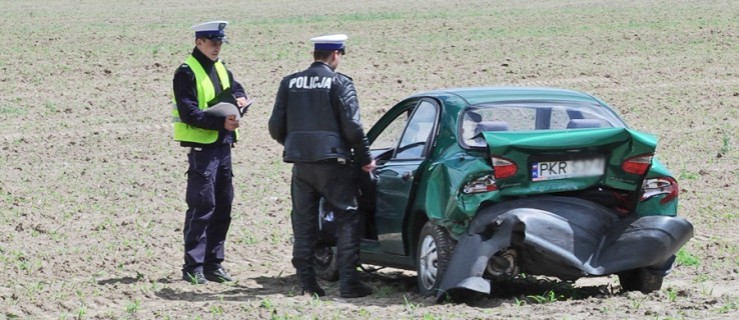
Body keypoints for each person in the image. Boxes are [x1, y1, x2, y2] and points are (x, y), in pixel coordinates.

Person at [268, 34, 376, 298]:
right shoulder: (340, 83)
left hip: (301, 164)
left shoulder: (290, 82)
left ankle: (307, 283)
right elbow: (353, 127)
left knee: (303, 222)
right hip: (333, 163)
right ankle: (349, 283)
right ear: (336, 54)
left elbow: (275, 127)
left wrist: (297, 145)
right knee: (348, 217)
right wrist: (365, 159)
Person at [172, 20, 249, 284]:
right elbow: (188, 113)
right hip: (202, 149)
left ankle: (214, 265)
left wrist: (241, 103)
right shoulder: (186, 72)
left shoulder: (222, 67)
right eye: (213, 43)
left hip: (224, 145)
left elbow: (236, 91)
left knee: (223, 207)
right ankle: (193, 267)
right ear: (199, 43)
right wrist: (221, 122)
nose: (217, 48)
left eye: (220, 43)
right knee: (203, 206)